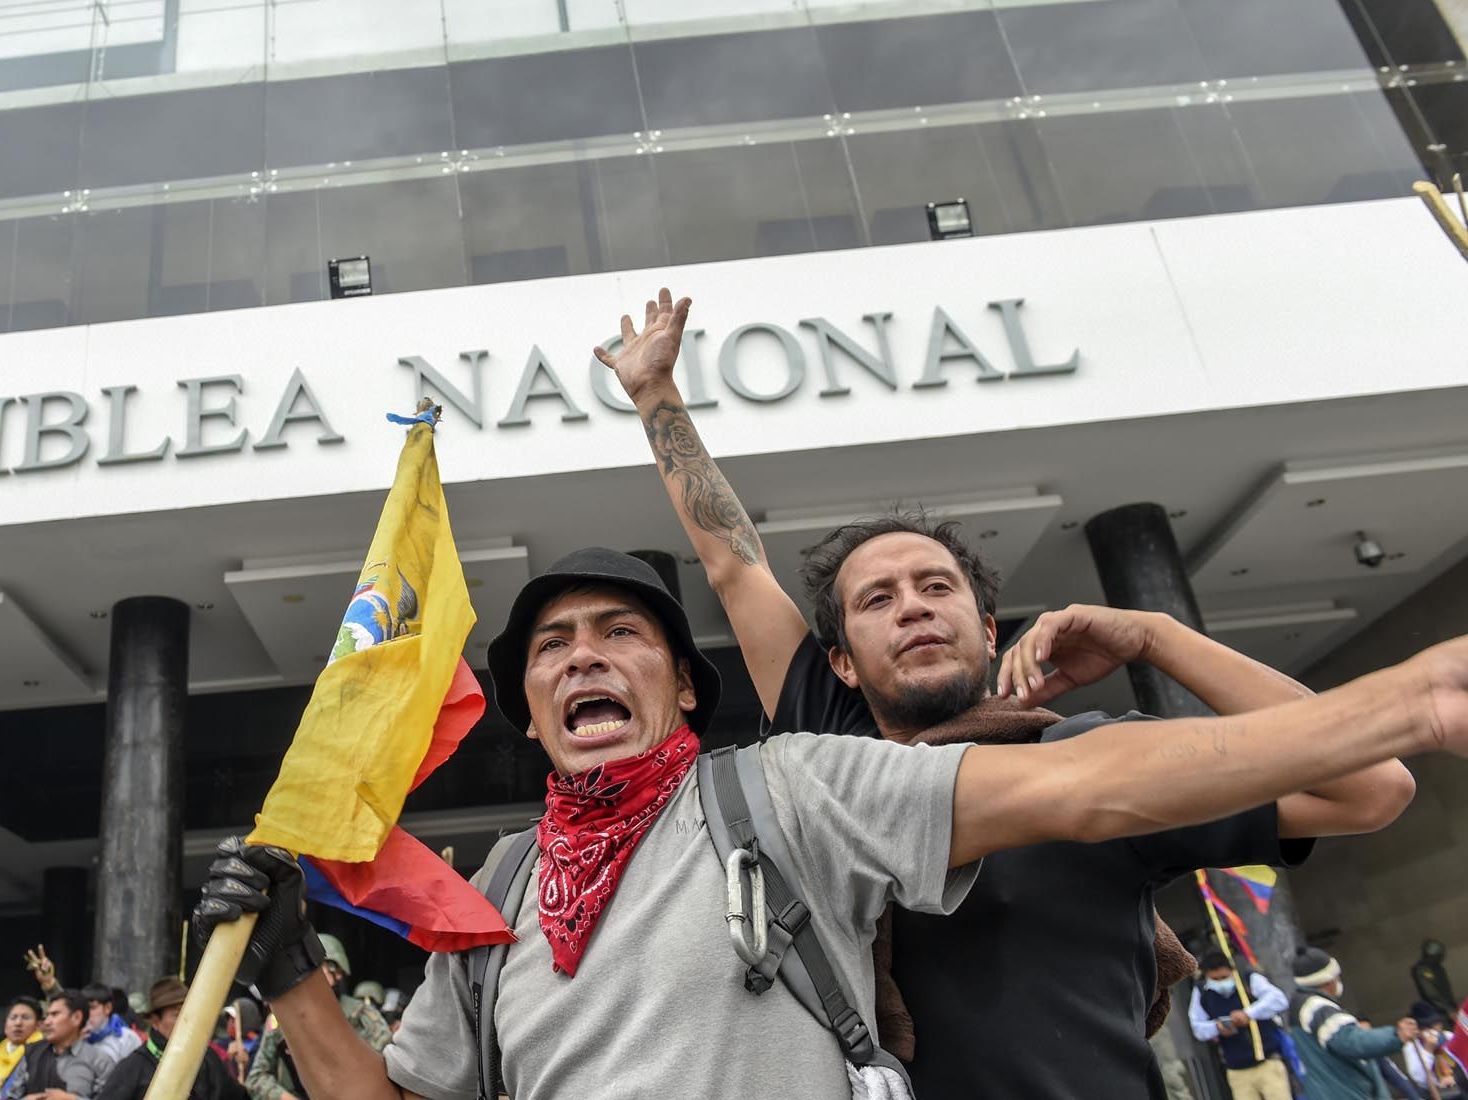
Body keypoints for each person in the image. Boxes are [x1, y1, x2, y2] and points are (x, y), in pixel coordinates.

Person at [192, 533, 1467, 1100]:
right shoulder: (501, 886)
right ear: (525, 701)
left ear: (680, 683)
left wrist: (1398, 699)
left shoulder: (791, 783)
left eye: (620, 633)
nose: (584, 658)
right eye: (553, 646)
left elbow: (1089, 787)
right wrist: (296, 971)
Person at [605, 286, 1416, 1099]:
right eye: (877, 600)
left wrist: (1157, 637)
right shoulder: (834, 753)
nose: (913, 605)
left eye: (935, 586)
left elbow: (1371, 788)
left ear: (989, 629)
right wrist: (655, 397)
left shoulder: (1092, 760)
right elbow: (733, 564)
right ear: (841, 663)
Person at [247, 935, 391, 1100]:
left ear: (337, 973)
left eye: (319, 969)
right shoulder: (281, 1020)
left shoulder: (360, 1015)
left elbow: (386, 1069)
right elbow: (256, 1078)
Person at [1291, 947, 1420, 1100]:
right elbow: (1351, 1040)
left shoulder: (1303, 1006)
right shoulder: (1318, 1009)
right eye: (1337, 976)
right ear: (1328, 980)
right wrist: (1396, 1035)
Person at [93, 978, 246, 1100]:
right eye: (177, 1014)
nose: (186, 1021)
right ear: (155, 1021)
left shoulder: (207, 1058)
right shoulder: (133, 1068)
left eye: (189, 1013)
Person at [1189, 951, 1292, 1100]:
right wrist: (1217, 1027)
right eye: (1215, 979)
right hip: (1237, 1070)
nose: (1220, 982)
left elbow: (1279, 1000)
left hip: (1268, 1061)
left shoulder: (1248, 980)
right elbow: (1197, 1028)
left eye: (1224, 977)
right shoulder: (1201, 992)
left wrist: (1248, 1014)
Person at [40, 992, 110, 1100]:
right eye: (47, 1016)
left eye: (54, 1014)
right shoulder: (32, 1055)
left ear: (76, 1017)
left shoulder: (99, 1060)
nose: (47, 1022)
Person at [0, 998, 59, 1100]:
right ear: (5, 1026)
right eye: (13, 1018)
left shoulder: (46, 1053)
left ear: (39, 1025)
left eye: (25, 1018)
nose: (18, 1023)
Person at [1406, 1000, 1466, 1095]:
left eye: (1434, 1026)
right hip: (1433, 1092)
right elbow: (1419, 1078)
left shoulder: (1448, 1036)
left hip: (1460, 1085)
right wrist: (1428, 1050)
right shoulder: (1412, 1047)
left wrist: (1455, 1077)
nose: (1432, 1031)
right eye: (1425, 1028)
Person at [76, 985, 139, 1066]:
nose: (86, 1013)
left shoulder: (127, 1038)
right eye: (83, 1008)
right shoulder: (75, 1037)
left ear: (107, 1008)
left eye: (92, 1008)